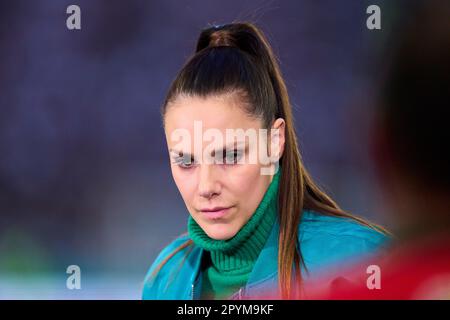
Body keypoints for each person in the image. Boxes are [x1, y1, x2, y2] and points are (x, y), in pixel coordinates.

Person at [142, 22, 389, 300]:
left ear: (275, 141)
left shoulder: (362, 264)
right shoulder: (164, 280)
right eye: (186, 162)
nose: (206, 186)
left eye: (231, 156)